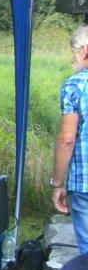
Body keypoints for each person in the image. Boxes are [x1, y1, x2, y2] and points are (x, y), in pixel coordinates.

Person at [51, 24, 88, 253]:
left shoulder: (75, 85)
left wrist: (57, 184)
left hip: (84, 183)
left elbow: (67, 139)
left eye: (73, 52)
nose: (71, 59)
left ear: (84, 51)